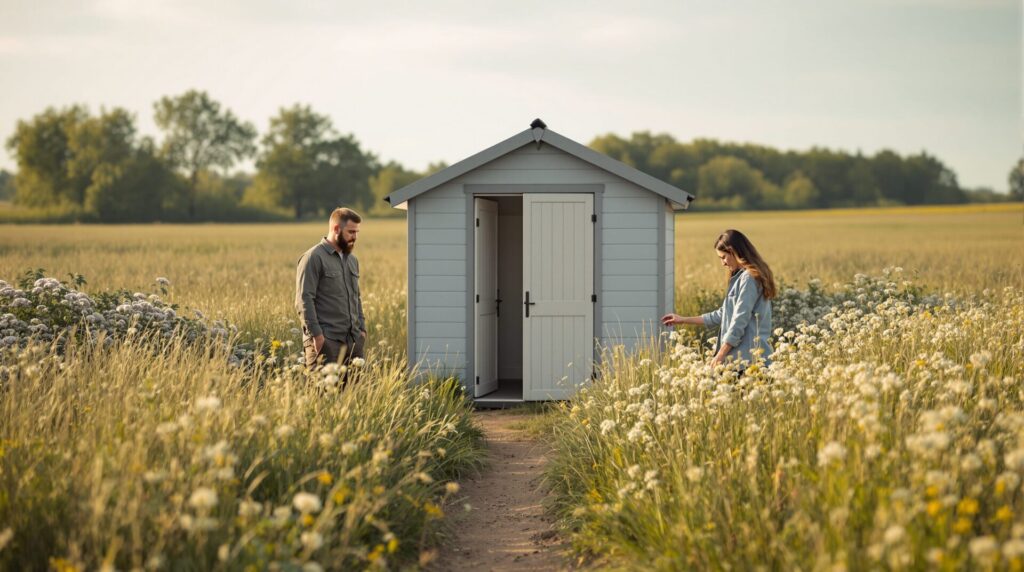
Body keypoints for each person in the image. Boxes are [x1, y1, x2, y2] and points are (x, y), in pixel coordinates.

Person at [661, 229, 776, 368]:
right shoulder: (741, 277)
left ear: (734, 252)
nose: (723, 263)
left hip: (749, 361)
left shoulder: (748, 279)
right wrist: (683, 319)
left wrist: (720, 354)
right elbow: (722, 314)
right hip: (742, 360)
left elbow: (740, 320)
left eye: (723, 257)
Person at [296, 207, 366, 369]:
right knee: (323, 393)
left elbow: (357, 297)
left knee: (354, 393)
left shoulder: (352, 260)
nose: (355, 237)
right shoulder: (313, 258)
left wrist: (362, 330)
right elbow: (304, 300)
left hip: (353, 341)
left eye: (357, 233)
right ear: (336, 229)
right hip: (326, 342)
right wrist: (318, 337)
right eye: (351, 232)